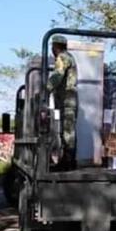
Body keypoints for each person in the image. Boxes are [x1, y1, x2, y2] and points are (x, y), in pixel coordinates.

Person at [47, 34, 78, 169]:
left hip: (67, 99)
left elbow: (57, 75)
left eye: (53, 47)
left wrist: (46, 89)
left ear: (55, 46)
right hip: (66, 99)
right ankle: (67, 161)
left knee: (67, 132)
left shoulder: (63, 57)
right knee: (67, 131)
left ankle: (68, 162)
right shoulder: (69, 56)